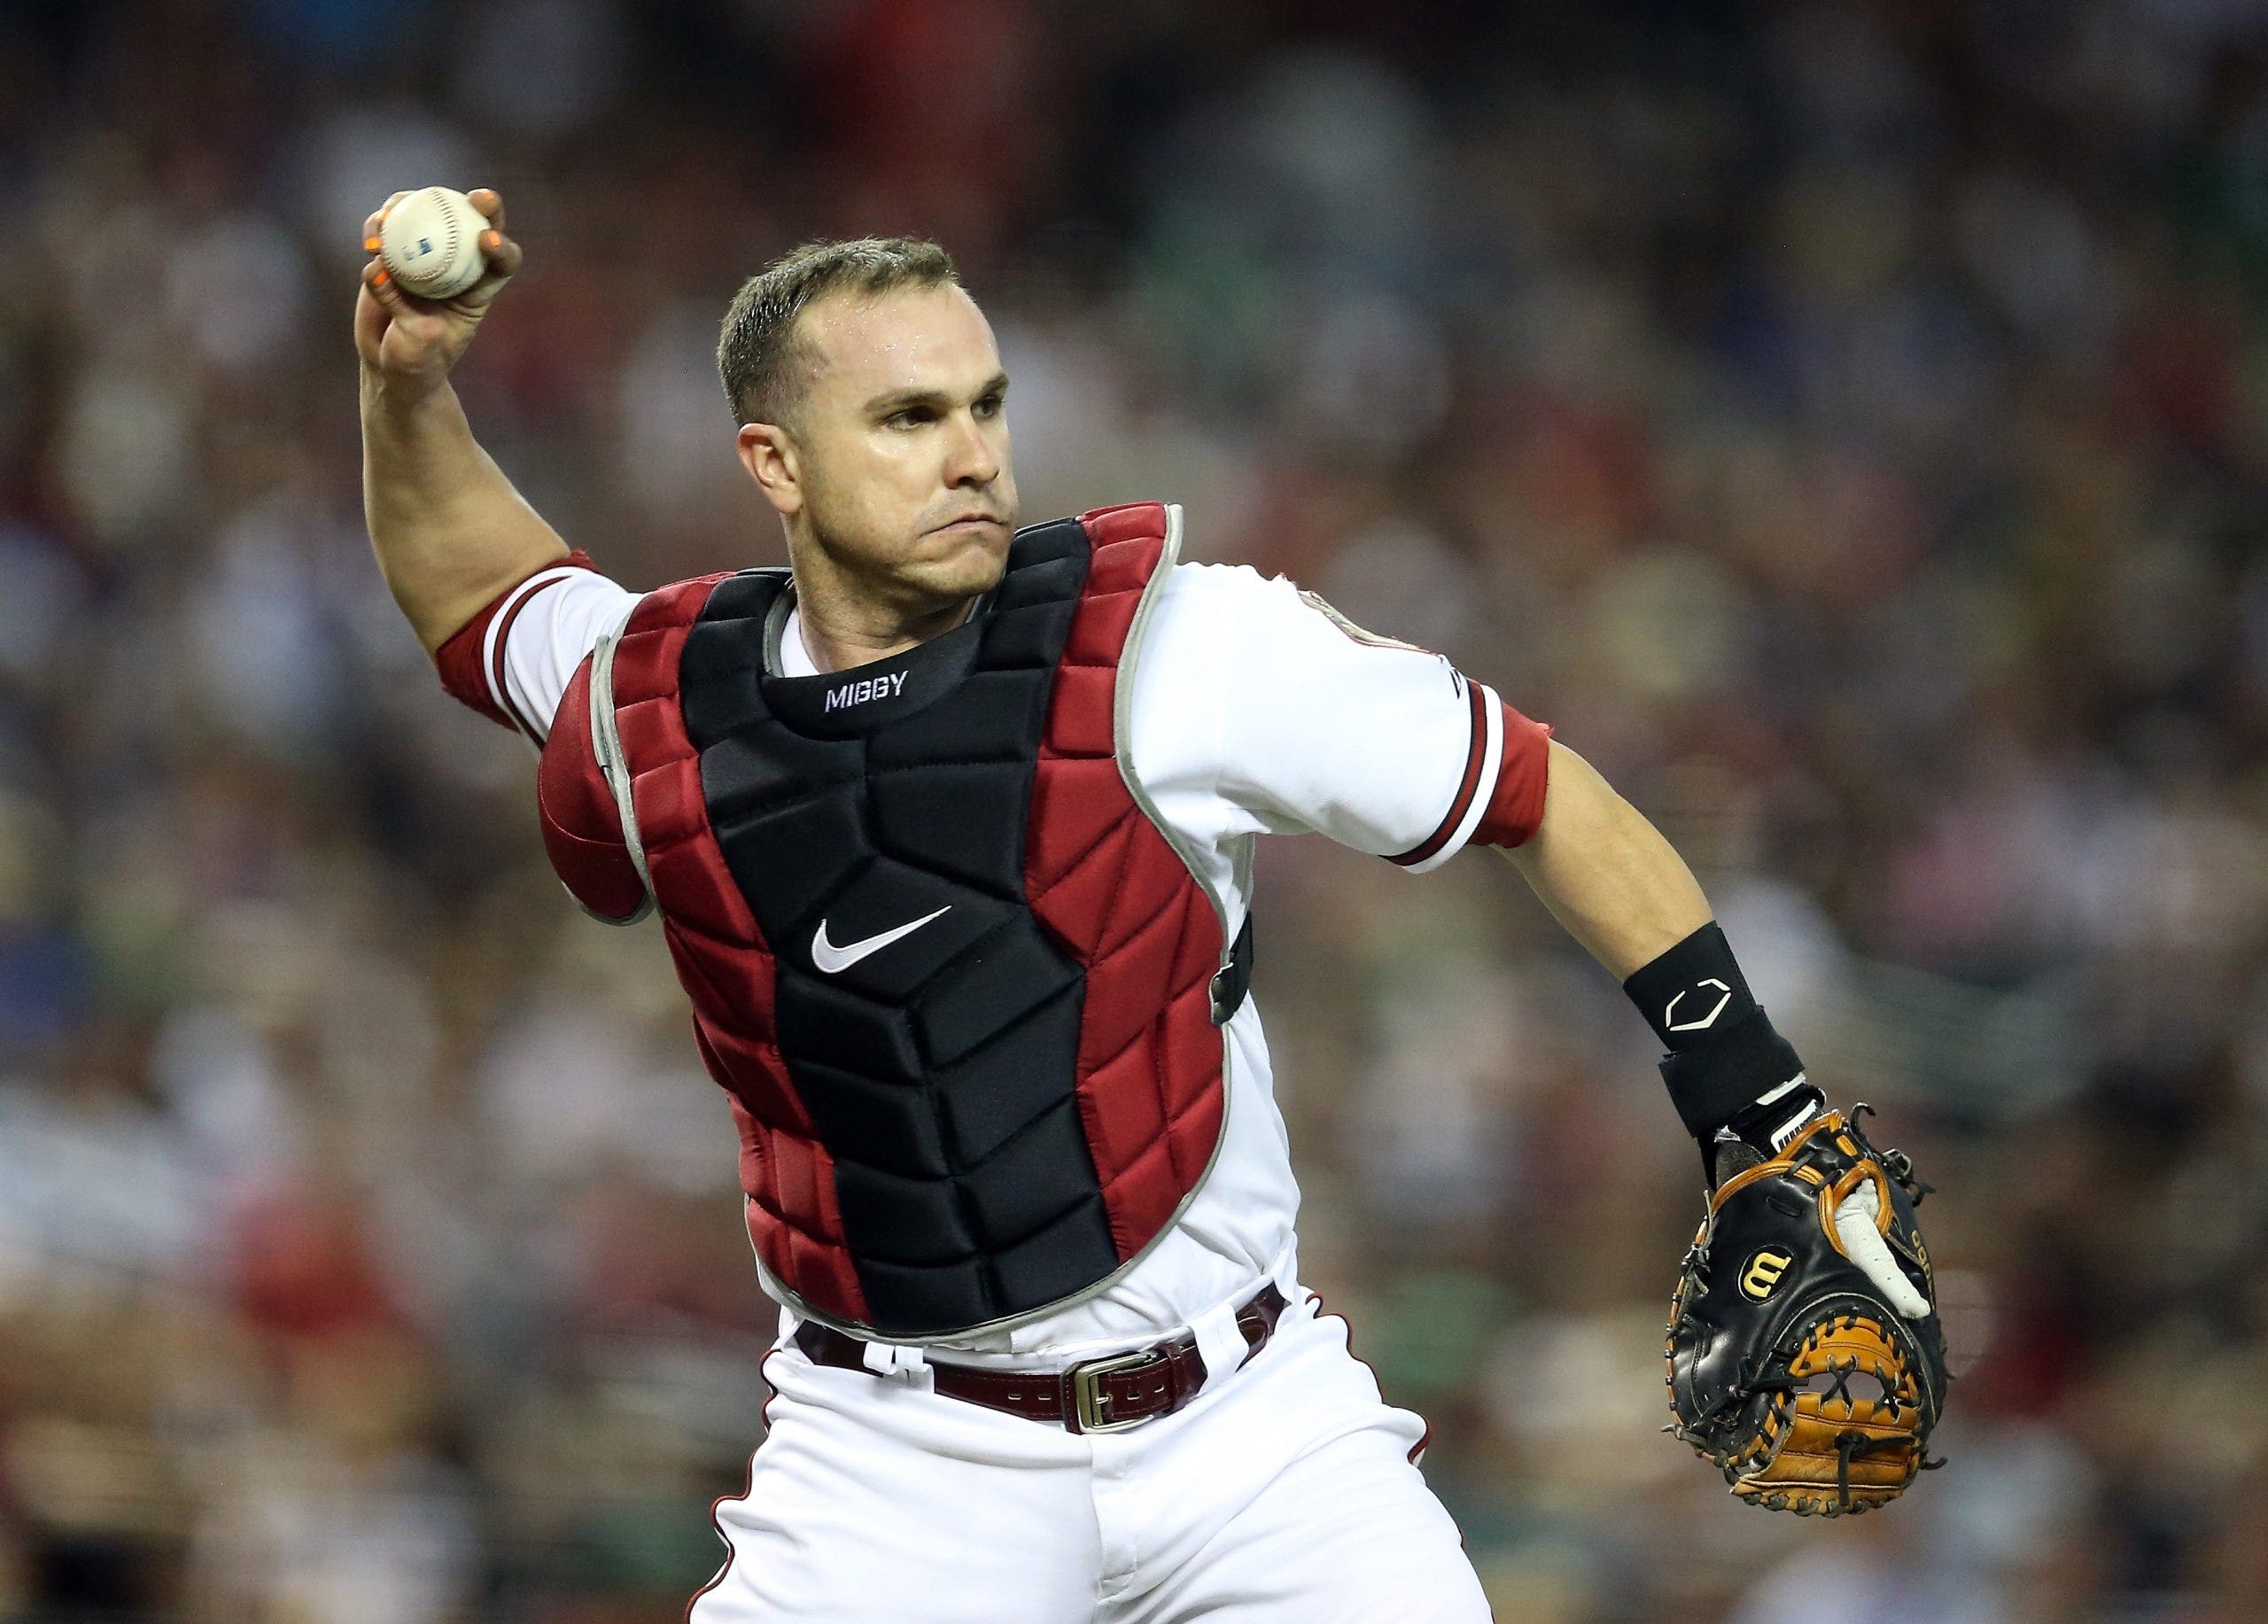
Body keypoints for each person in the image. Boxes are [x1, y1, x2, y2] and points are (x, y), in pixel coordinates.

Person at [357, 192, 1917, 1621]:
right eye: (908, 418)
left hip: (1252, 1430)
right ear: (774, 462)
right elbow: (482, 601)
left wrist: (1758, 1099)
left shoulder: (1177, 646)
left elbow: (1533, 790)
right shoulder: (659, 713)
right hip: (894, 1461)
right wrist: (407, 389)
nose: (973, 454)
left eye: (985, 406)